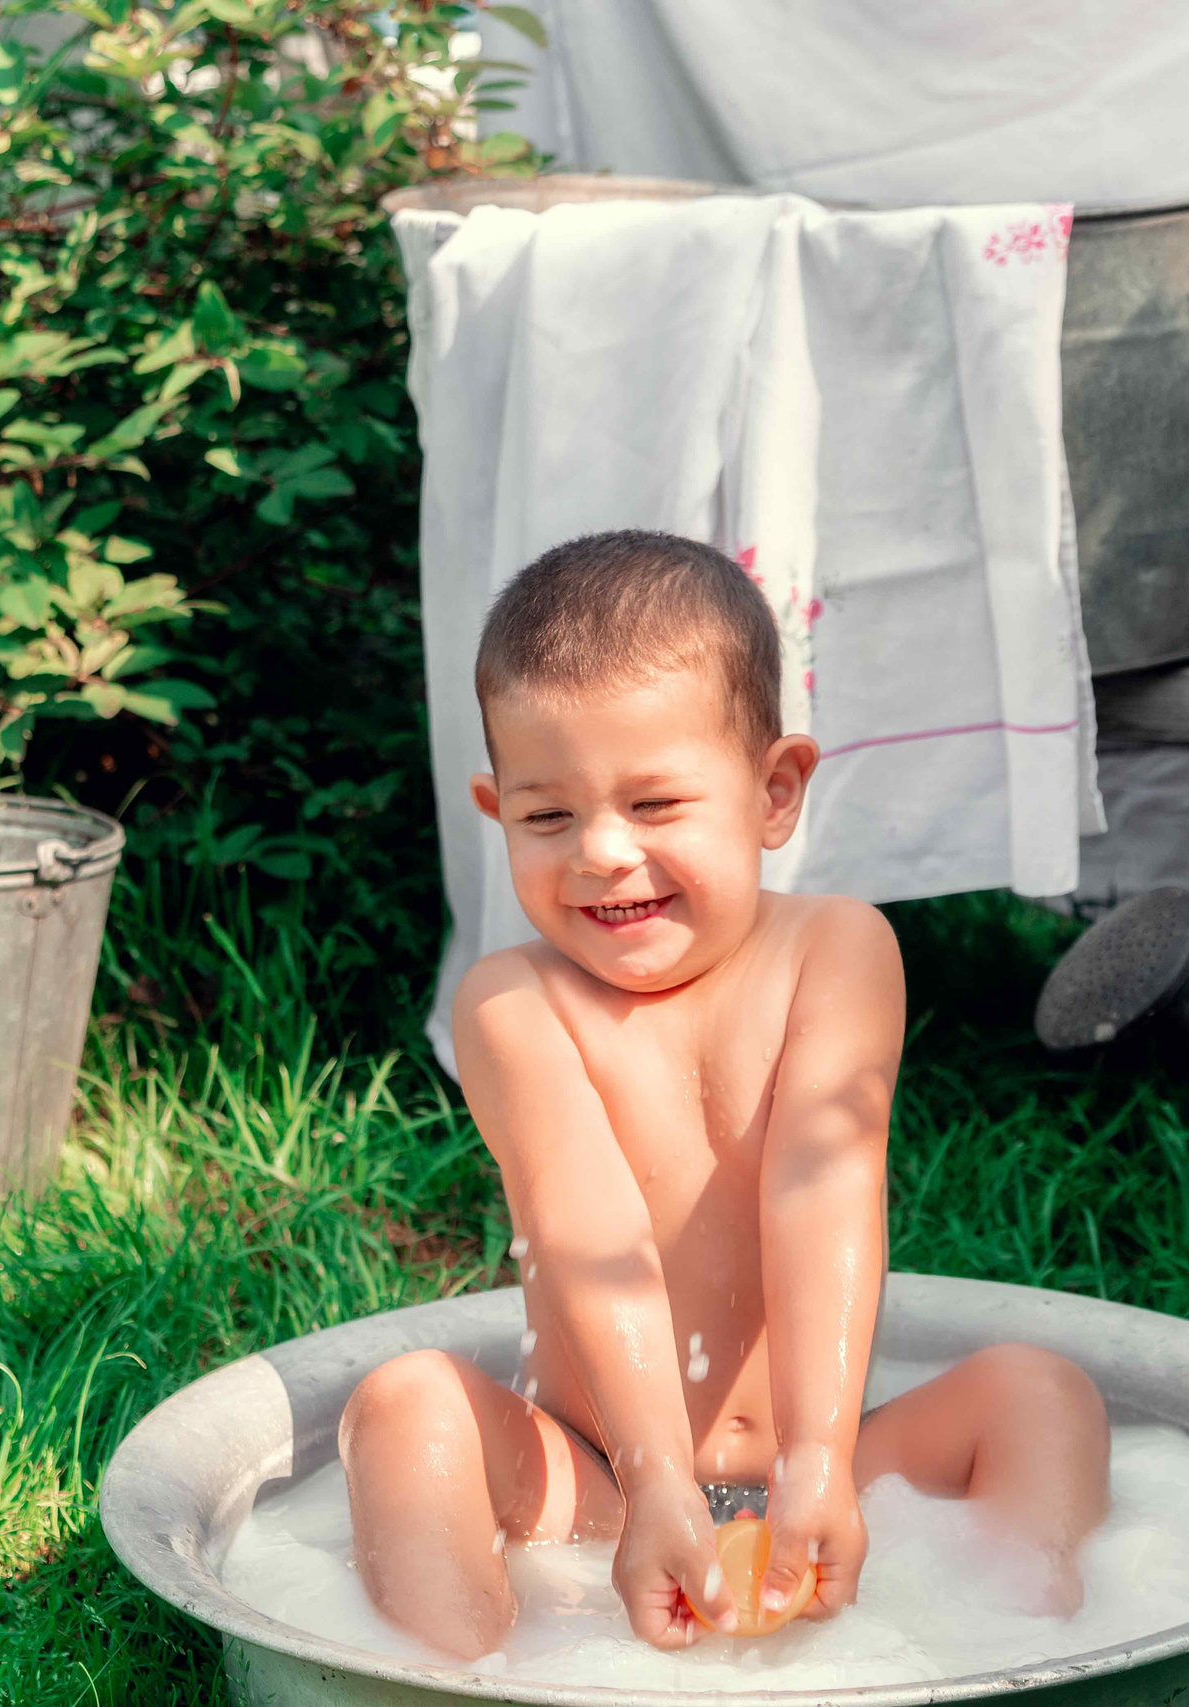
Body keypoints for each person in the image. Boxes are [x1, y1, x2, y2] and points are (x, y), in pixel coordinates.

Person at [338, 529, 1110, 1660]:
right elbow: (582, 1225)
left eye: (654, 806)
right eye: (547, 816)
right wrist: (654, 1488)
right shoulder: (511, 1002)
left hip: (833, 1464)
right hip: (600, 1484)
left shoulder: (836, 951)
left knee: (1039, 1394)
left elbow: (821, 1183)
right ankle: (461, 1671)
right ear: (497, 810)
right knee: (403, 1409)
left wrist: (816, 1461)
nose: (601, 853)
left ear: (773, 791)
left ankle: (1008, 1650)